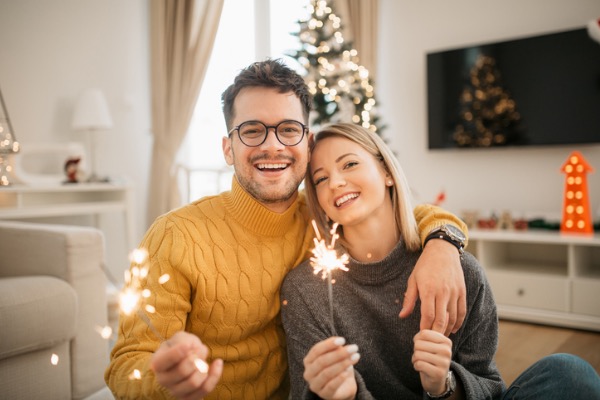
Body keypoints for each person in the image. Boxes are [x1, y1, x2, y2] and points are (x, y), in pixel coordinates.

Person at [105, 59, 470, 400]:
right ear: (228, 149)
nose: (272, 145)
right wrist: (164, 379)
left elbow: (394, 208)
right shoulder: (175, 236)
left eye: (288, 129)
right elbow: (125, 364)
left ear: (308, 144)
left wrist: (443, 244)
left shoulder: (322, 215)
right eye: (251, 131)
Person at [280, 123, 600, 399]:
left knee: (569, 374)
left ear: (388, 173)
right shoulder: (305, 290)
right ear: (318, 201)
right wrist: (343, 396)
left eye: (349, 164)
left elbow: (488, 386)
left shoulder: (459, 272)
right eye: (320, 179)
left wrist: (443, 385)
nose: (335, 182)